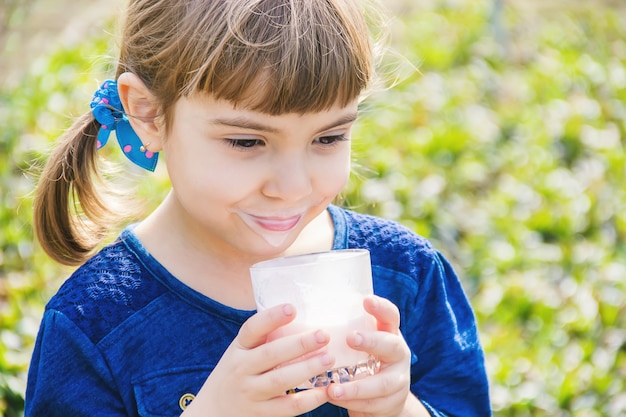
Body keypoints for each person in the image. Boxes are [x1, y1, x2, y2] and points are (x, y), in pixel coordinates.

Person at [26, 0, 491, 416]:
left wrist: (399, 409)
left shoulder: (405, 275)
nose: (292, 187)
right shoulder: (95, 323)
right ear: (147, 114)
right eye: (246, 141)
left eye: (328, 138)